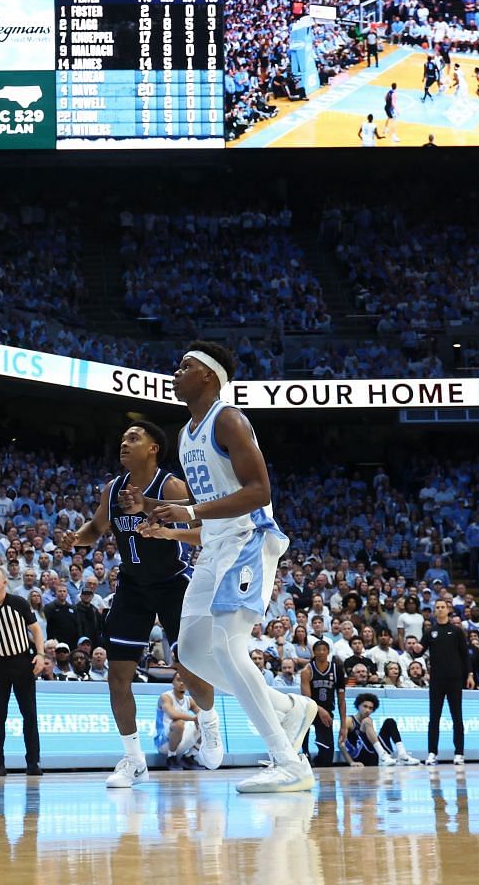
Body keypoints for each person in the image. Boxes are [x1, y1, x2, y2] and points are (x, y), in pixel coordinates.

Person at [132, 340, 320, 794]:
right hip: (215, 548)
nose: (175, 373)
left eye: (185, 365)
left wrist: (190, 513)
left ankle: (288, 761)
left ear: (209, 377)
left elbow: (257, 492)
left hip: (248, 541)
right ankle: (287, 709)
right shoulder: (186, 433)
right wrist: (166, 517)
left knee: (232, 649)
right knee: (192, 652)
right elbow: (207, 507)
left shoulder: (229, 419)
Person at [60, 421, 203, 788]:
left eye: (134, 438)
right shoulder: (113, 489)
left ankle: (211, 729)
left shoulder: (170, 486)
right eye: (122, 438)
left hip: (172, 583)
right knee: (117, 676)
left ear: (154, 447)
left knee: (189, 665)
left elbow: (203, 521)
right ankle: (134, 758)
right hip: (133, 586)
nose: (124, 442)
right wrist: (75, 540)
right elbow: (96, 528)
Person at [0, 566, 50, 777]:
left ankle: (33, 763)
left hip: (22, 662)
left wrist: (41, 655)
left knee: (29, 715)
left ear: (4, 582)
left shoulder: (19, 603)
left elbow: (35, 629)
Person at [422, 598, 471, 766]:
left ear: (448, 610)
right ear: (434, 611)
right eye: (438, 607)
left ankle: (459, 753)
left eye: (443, 607)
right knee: (433, 718)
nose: (440, 610)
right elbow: (419, 651)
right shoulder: (430, 632)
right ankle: (432, 753)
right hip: (436, 681)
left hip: (455, 680)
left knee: (457, 716)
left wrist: (469, 675)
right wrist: (414, 650)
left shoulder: (456, 631)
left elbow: (465, 655)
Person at [302, 638, 343, 766]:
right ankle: (305, 754)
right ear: (314, 652)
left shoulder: (337, 670)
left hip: (327, 713)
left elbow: (341, 700)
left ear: (328, 652)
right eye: (318, 650)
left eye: (324, 649)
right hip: (309, 711)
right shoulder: (307, 671)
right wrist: (320, 709)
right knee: (304, 752)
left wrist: (343, 726)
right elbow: (307, 699)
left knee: (327, 759)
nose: (321, 652)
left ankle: (319, 760)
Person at [158, 668, 203, 768]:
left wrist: (201, 719)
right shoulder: (165, 697)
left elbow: (202, 713)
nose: (182, 683)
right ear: (173, 682)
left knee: (207, 723)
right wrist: (194, 719)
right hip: (164, 742)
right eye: (178, 679)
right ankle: (171, 758)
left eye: (185, 680)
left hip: (181, 739)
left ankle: (189, 757)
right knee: (178, 723)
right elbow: (172, 715)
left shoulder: (189, 700)